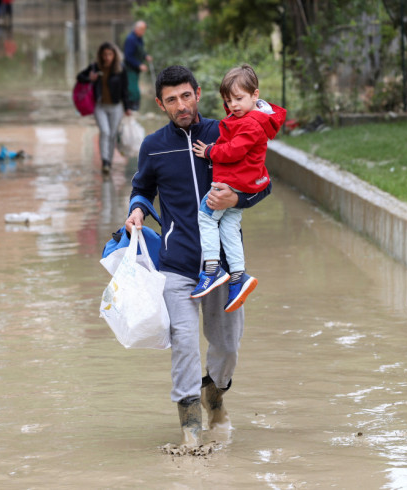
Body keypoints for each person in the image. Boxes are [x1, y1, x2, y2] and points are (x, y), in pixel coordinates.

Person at [124, 65, 271, 449]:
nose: (181, 105)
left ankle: (215, 395)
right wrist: (138, 210)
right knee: (184, 342)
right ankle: (190, 430)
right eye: (171, 100)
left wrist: (238, 198)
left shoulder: (224, 132)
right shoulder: (153, 146)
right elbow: (141, 188)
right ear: (160, 104)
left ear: (199, 93)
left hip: (223, 268)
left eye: (186, 95)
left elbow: (261, 182)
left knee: (227, 346)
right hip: (176, 266)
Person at [189, 64, 286, 312]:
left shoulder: (251, 124)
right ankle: (238, 276)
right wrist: (235, 102)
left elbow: (233, 151)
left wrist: (210, 151)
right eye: (228, 100)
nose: (233, 106)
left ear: (256, 95)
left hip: (231, 182)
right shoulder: (250, 117)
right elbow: (235, 119)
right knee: (230, 226)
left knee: (206, 216)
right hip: (243, 183)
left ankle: (211, 270)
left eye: (239, 99)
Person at [76, 42, 131, 174]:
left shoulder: (121, 69)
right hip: (100, 106)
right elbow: (80, 77)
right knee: (105, 132)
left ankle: (109, 162)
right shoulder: (95, 67)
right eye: (105, 54)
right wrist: (90, 78)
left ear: (114, 55)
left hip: (116, 106)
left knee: (112, 134)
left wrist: (127, 107)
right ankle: (105, 161)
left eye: (110, 54)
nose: (107, 57)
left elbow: (125, 89)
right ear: (101, 55)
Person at [123, 20, 152, 111]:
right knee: (133, 89)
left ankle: (135, 108)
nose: (143, 32)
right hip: (130, 68)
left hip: (136, 69)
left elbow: (140, 50)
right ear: (137, 29)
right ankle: (131, 107)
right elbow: (128, 56)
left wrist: (145, 56)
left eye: (144, 30)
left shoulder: (139, 38)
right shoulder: (130, 39)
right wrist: (139, 64)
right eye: (142, 30)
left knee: (134, 87)